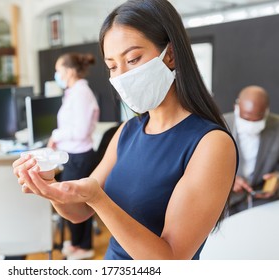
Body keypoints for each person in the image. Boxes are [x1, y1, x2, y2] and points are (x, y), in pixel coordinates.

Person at [13, 0, 238, 260]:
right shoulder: (127, 131)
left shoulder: (211, 144)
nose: (121, 76)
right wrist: (50, 187)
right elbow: (79, 212)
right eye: (112, 66)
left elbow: (171, 260)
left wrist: (99, 199)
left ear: (171, 55)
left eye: (132, 59)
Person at [48, 52, 100, 260]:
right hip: (73, 155)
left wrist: (55, 135)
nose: (56, 75)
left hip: (79, 157)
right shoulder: (74, 92)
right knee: (73, 202)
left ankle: (83, 247)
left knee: (74, 203)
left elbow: (78, 131)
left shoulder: (81, 94)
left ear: (69, 71)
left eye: (58, 70)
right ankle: (78, 243)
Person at [224, 85, 279, 215]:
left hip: (264, 203)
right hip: (226, 203)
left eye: (257, 120)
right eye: (246, 118)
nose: (251, 124)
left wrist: (277, 178)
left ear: (266, 111)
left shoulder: (276, 126)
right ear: (236, 108)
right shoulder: (218, 124)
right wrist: (227, 180)